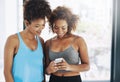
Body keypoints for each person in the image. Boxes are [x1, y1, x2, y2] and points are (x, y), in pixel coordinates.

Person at [4, 0, 51, 82]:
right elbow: (7, 72)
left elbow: (41, 70)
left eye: (43, 25)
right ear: (26, 23)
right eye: (37, 26)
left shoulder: (41, 41)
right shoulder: (13, 40)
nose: (41, 29)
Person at [45, 6, 90, 82]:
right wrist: (48, 70)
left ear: (68, 26)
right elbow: (46, 70)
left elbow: (87, 66)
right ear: (51, 25)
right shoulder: (48, 43)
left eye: (63, 28)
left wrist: (69, 67)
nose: (59, 31)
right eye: (56, 27)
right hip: (54, 79)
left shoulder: (78, 40)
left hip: (73, 79)